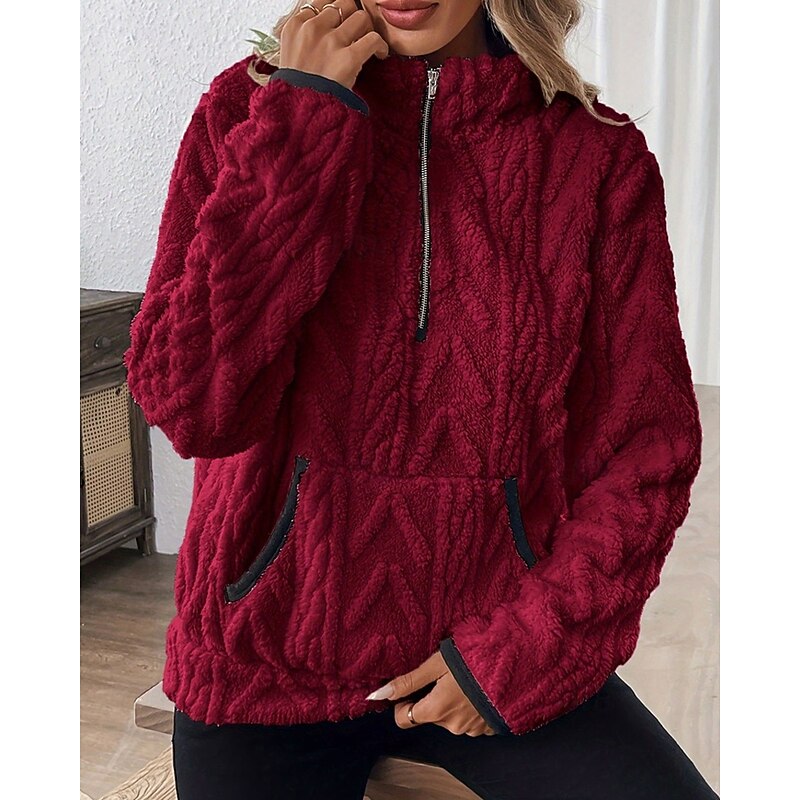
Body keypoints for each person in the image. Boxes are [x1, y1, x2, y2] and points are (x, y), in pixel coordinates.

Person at [123, 0, 719, 797]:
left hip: (497, 642)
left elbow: (649, 452)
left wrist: (523, 650)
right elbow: (190, 404)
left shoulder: (595, 157)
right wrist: (305, 122)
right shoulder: (249, 108)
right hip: (264, 666)